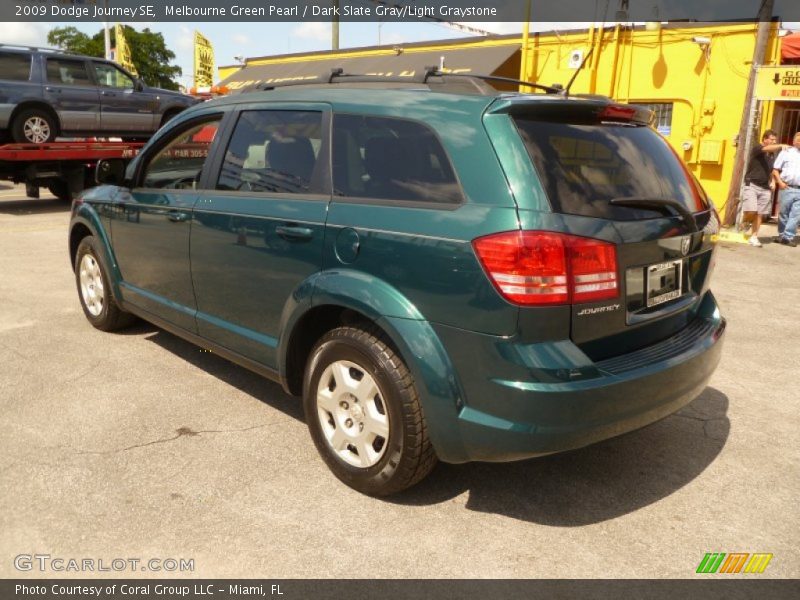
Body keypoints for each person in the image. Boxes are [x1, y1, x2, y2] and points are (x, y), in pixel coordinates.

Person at [741, 129, 787, 247]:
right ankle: (745, 221)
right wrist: (780, 145)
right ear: (765, 139)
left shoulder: (771, 154)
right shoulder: (757, 148)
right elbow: (766, 148)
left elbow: (771, 169)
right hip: (752, 184)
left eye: (775, 140)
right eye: (772, 139)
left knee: (760, 213)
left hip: (765, 187)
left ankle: (754, 236)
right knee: (751, 211)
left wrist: (773, 181)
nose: (774, 141)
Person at [772, 131, 800, 248]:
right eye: (798, 139)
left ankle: (788, 236)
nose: (799, 141)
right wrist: (780, 182)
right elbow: (775, 169)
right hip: (786, 187)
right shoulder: (786, 153)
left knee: (796, 214)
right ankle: (782, 235)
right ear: (793, 141)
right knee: (783, 213)